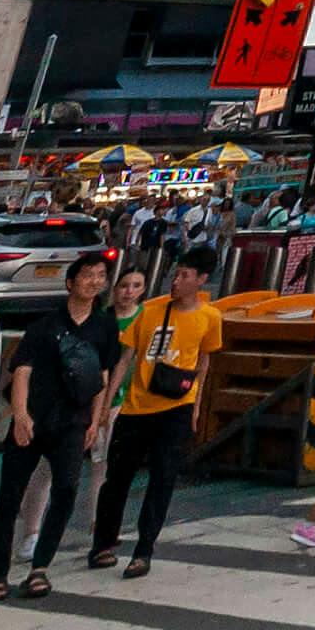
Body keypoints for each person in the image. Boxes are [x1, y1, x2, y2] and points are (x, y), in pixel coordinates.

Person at [0, 251, 116, 593]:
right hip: (34, 419)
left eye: (100, 275)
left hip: (73, 421)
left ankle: (40, 567)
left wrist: (96, 418)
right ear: (70, 282)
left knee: (67, 489)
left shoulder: (104, 325)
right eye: (87, 275)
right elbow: (22, 370)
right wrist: (21, 415)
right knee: (9, 496)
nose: (94, 281)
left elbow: (102, 374)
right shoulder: (45, 325)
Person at [95, 245, 225, 578]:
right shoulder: (150, 312)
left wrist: (196, 405)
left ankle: (144, 550)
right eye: (176, 274)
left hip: (175, 408)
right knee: (117, 479)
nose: (176, 281)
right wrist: (109, 404)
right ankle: (103, 543)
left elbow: (204, 362)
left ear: (201, 280)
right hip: (137, 407)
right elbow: (125, 359)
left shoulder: (210, 317)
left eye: (184, 276)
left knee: (162, 478)